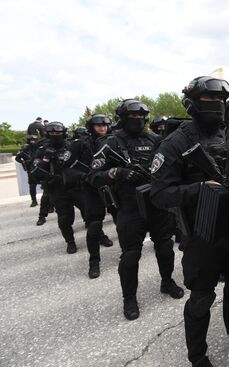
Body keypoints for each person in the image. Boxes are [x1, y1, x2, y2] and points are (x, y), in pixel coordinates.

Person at [150, 77, 229, 367]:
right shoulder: (177, 141)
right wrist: (200, 189)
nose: (216, 106)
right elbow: (159, 194)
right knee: (201, 298)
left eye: (220, 100)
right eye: (208, 100)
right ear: (191, 104)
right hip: (202, 233)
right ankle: (198, 356)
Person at [90, 99, 183, 320]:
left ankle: (167, 281)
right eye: (132, 117)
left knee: (166, 247)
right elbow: (93, 176)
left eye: (141, 117)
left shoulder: (156, 140)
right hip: (130, 207)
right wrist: (118, 173)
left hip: (157, 204)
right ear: (122, 119)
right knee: (131, 256)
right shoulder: (110, 143)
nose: (137, 121)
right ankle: (129, 298)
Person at [64, 114, 115, 278]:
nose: (103, 128)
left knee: (123, 220)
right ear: (91, 127)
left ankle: (129, 253)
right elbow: (66, 168)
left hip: (112, 187)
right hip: (91, 189)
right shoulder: (79, 144)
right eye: (99, 125)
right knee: (94, 225)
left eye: (105, 125)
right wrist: (83, 176)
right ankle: (94, 262)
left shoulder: (113, 141)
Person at [30, 122, 86, 254]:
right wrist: (46, 160)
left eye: (58, 133)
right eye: (53, 133)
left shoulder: (71, 146)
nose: (56, 135)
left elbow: (82, 164)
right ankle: (70, 242)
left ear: (64, 133)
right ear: (48, 134)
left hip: (76, 187)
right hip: (57, 189)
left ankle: (99, 236)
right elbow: (35, 171)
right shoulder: (42, 149)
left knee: (90, 213)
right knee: (64, 219)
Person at [15, 135, 40, 206]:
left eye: (34, 140)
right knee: (32, 185)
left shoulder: (39, 148)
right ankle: (34, 201)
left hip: (41, 169)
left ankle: (50, 204)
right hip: (31, 170)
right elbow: (17, 158)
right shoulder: (25, 149)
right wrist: (24, 162)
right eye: (31, 140)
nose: (33, 141)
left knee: (46, 186)